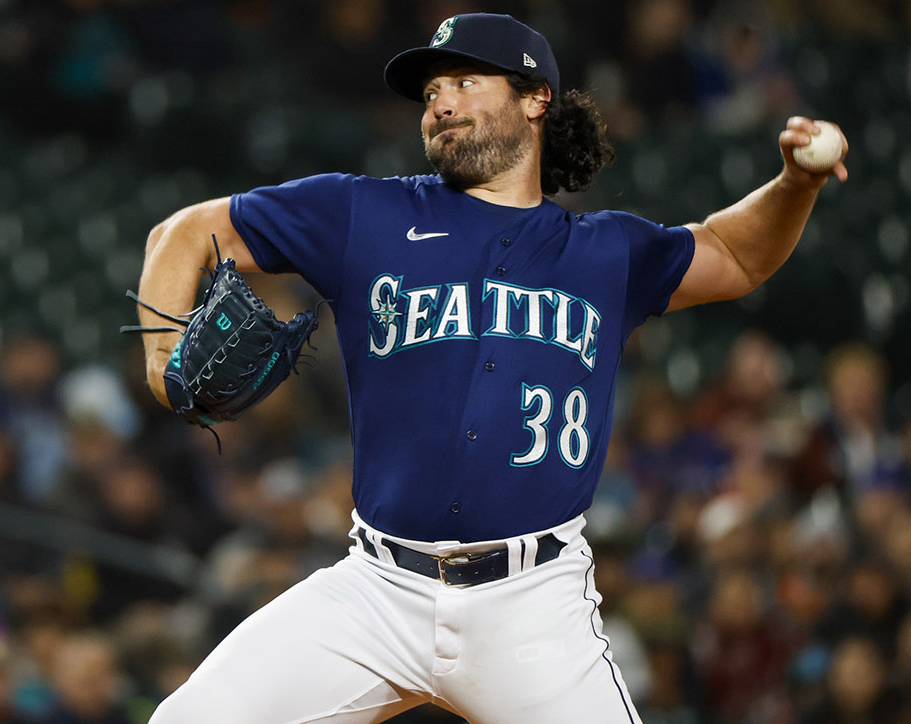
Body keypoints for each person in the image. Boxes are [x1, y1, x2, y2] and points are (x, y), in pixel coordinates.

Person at [134, 13, 847, 724]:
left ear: (535, 98)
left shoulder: (607, 253)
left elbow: (737, 255)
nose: (440, 101)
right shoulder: (364, 213)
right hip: (377, 590)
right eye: (430, 91)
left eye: (465, 82)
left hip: (532, 607)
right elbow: (185, 232)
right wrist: (164, 364)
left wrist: (795, 185)